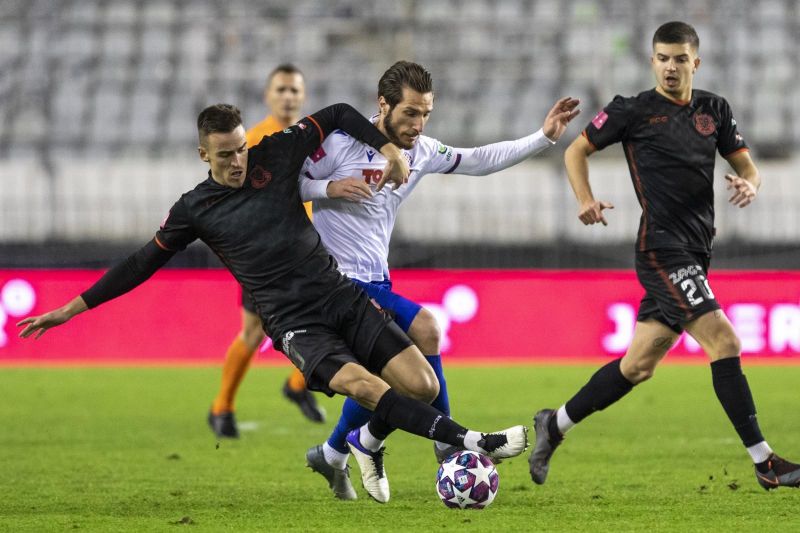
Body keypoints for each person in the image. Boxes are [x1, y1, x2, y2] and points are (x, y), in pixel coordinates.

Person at [17, 101, 529, 498]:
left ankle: (353, 447)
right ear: (203, 155)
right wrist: (72, 308)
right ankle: (471, 442)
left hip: (339, 294)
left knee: (419, 383)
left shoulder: (274, 155)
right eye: (226, 154)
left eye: (241, 148)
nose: (238, 161)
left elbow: (337, 116)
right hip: (293, 324)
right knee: (366, 387)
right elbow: (139, 264)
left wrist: (388, 149)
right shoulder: (194, 209)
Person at [528, 21, 800, 491]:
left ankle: (553, 426)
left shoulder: (714, 109)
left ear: (695, 62)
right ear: (652, 61)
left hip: (696, 250)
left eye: (679, 58)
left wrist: (749, 184)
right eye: (662, 58)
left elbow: (747, 166)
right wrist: (584, 200)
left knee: (637, 365)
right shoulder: (632, 111)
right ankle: (765, 463)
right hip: (662, 249)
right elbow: (576, 151)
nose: (670, 67)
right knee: (726, 342)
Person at [299, 61, 580, 502]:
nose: (418, 123)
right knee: (426, 329)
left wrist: (542, 136)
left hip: (378, 280)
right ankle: (449, 445)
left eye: (426, 113)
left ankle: (336, 451)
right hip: (338, 282)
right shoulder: (339, 144)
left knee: (390, 379)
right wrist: (327, 190)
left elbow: (478, 160)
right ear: (383, 105)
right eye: (410, 113)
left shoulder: (422, 151)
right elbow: (288, 184)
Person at [208, 63, 324, 440]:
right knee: (253, 333)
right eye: (281, 90)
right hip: (264, 255)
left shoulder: (314, 138)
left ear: (303, 96)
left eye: (294, 90)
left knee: (329, 321)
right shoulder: (254, 140)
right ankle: (221, 407)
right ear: (268, 96)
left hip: (306, 249)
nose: (288, 96)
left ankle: (296, 384)